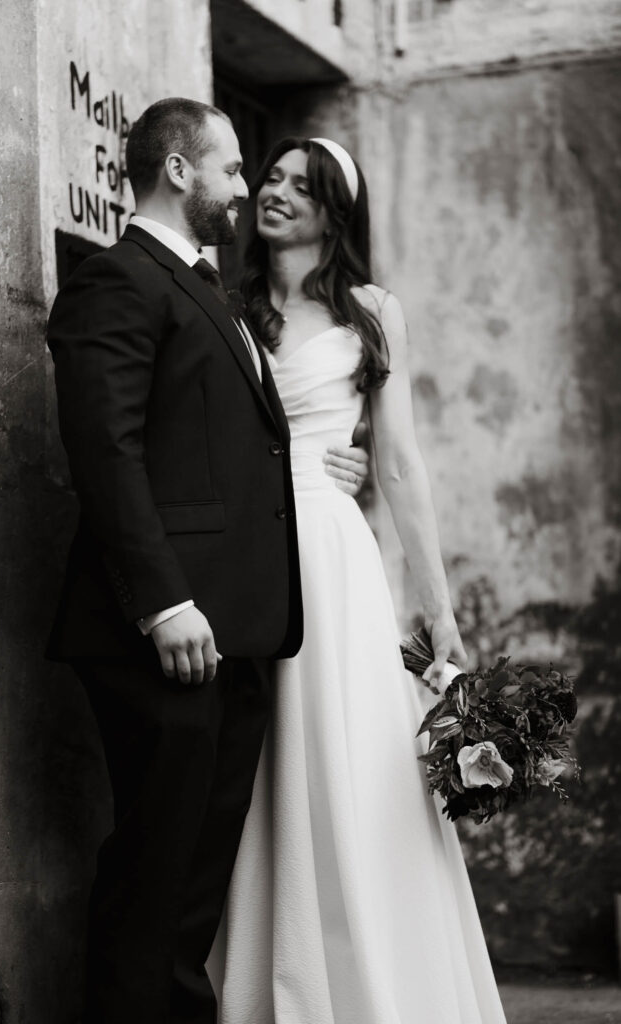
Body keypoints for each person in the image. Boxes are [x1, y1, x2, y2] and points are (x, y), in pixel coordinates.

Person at [45, 101, 368, 1024]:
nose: (244, 187)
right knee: (156, 872)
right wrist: (162, 604)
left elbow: (237, 447)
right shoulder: (118, 279)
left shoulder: (209, 288)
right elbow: (106, 451)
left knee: (193, 882)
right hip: (167, 633)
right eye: (232, 170)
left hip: (236, 632)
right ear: (180, 172)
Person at [209, 137, 508, 1024]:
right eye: (268, 178)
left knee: (353, 763)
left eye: (302, 187)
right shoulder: (225, 307)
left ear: (336, 211)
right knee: (259, 769)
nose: (276, 194)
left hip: (333, 559)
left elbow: (403, 462)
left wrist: (438, 606)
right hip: (247, 555)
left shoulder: (373, 312)